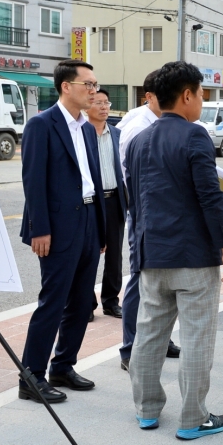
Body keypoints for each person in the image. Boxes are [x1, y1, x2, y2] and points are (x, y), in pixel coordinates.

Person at [127, 61, 223, 439]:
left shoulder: (138, 140)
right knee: (196, 339)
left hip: (151, 255)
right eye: (201, 94)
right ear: (187, 95)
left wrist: (137, 254)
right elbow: (210, 196)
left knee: (148, 335)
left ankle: (146, 411)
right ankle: (192, 418)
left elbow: (135, 203)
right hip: (192, 257)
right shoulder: (195, 136)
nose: (202, 102)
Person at [17, 59, 106, 404]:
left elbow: (93, 180)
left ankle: (63, 365)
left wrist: (100, 229)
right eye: (88, 84)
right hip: (56, 226)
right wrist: (40, 229)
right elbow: (33, 181)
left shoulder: (86, 127)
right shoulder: (42, 125)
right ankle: (31, 375)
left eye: (95, 84)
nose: (94, 91)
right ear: (66, 86)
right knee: (53, 302)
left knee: (83, 301)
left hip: (87, 220)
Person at [115, 71, 181, 371]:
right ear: (149, 96)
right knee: (140, 278)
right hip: (143, 212)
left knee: (165, 278)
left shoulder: (164, 122)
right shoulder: (136, 125)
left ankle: (161, 338)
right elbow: (130, 175)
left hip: (166, 212)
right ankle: (129, 348)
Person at [88, 92, 126, 320]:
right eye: (98, 103)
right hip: (92, 202)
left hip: (114, 200)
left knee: (115, 256)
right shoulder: (82, 134)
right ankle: (87, 303)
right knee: (90, 254)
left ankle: (111, 302)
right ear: (87, 106)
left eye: (106, 103)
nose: (104, 107)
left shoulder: (118, 134)